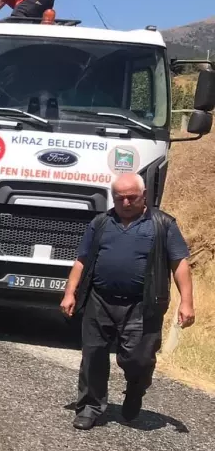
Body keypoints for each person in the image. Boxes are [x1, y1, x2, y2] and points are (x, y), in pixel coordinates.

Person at [60, 173, 195, 430]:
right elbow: (82, 260)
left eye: (131, 197)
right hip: (99, 299)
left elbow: (179, 264)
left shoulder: (162, 224)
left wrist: (186, 302)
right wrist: (70, 293)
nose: (125, 202)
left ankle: (136, 388)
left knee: (139, 359)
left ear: (144, 196)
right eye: (119, 198)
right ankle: (89, 407)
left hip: (142, 305)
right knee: (93, 355)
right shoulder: (100, 223)